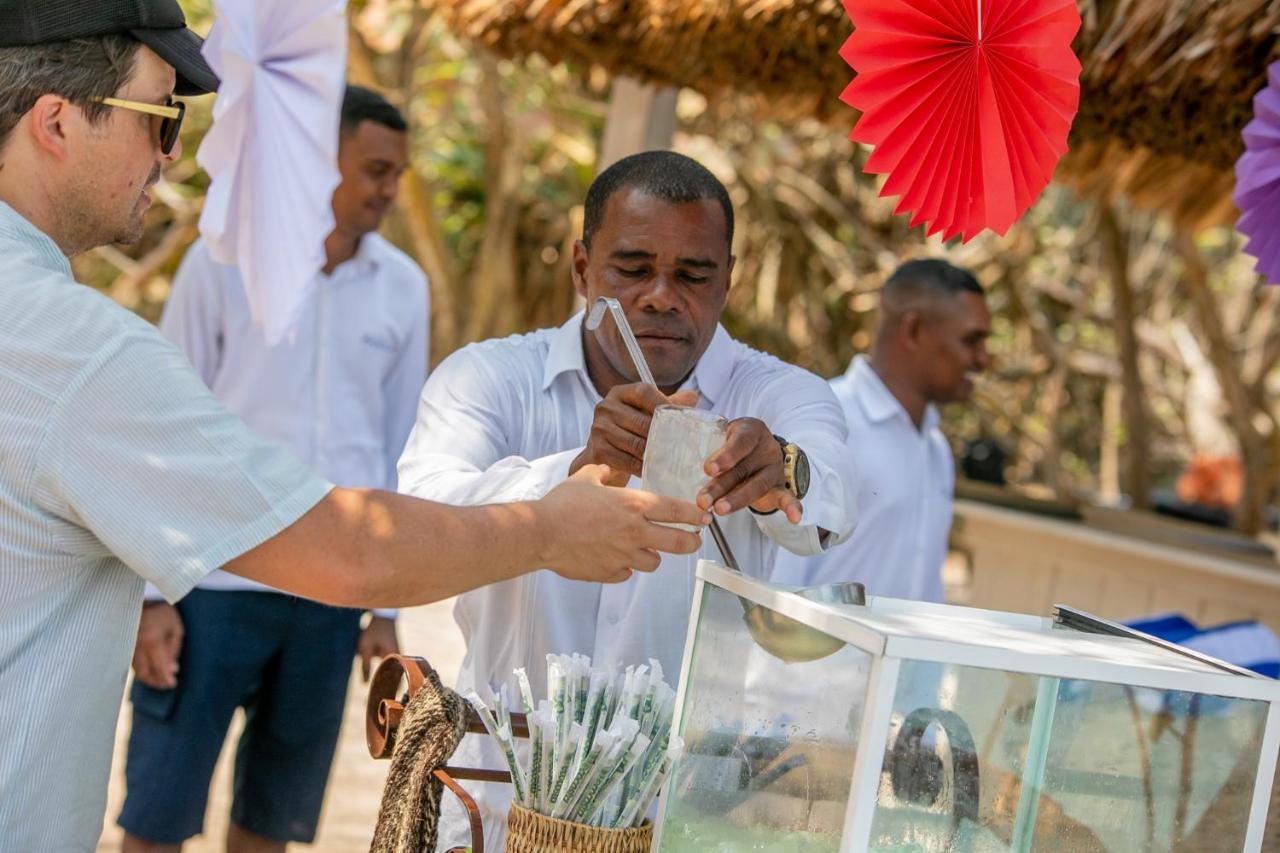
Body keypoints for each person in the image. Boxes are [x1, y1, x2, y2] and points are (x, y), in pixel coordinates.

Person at [0, 3, 706, 849]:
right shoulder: (75, 347)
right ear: (54, 121)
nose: (173, 153)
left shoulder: (392, 286)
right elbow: (351, 549)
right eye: (162, 116)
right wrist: (549, 527)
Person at [396, 150, 858, 851]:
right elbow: (416, 522)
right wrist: (576, 469)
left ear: (727, 280)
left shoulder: (779, 398)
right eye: (633, 270)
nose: (661, 296)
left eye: (692, 275)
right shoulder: (488, 379)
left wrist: (778, 470)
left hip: (678, 817)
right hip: (496, 806)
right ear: (584, 270)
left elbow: (832, 504)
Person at [118, 85, 427, 852]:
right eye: (377, 170)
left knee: (272, 824)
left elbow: (396, 449)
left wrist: (385, 608)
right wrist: (152, 594)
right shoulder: (223, 261)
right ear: (324, 162)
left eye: (397, 173)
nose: (391, 190)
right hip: (210, 588)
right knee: (157, 815)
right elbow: (163, 425)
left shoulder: (404, 289)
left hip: (329, 596)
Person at [773, 259, 991, 602]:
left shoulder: (936, 448)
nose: (983, 359)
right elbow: (777, 583)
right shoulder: (826, 423)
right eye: (971, 340)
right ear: (914, 330)